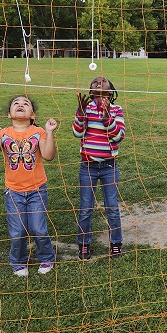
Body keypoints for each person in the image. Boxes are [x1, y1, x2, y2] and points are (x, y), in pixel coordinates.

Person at [0, 96, 57, 276]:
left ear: (32, 115)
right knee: (18, 230)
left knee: (38, 228)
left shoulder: (38, 132)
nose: (20, 105)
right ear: (9, 114)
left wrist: (49, 131)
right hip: (13, 191)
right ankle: (18, 261)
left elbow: (48, 155)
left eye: (25, 103)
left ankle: (46, 257)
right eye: (16, 103)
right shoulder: (3, 133)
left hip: (37, 189)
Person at [73, 77, 126, 260]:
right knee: (85, 208)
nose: (98, 82)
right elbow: (77, 133)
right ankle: (84, 244)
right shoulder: (85, 109)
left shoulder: (116, 110)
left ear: (110, 91)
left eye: (103, 81)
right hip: (88, 166)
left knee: (112, 207)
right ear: (91, 90)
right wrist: (81, 113)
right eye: (94, 81)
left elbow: (119, 137)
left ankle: (116, 243)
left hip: (109, 166)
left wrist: (106, 119)